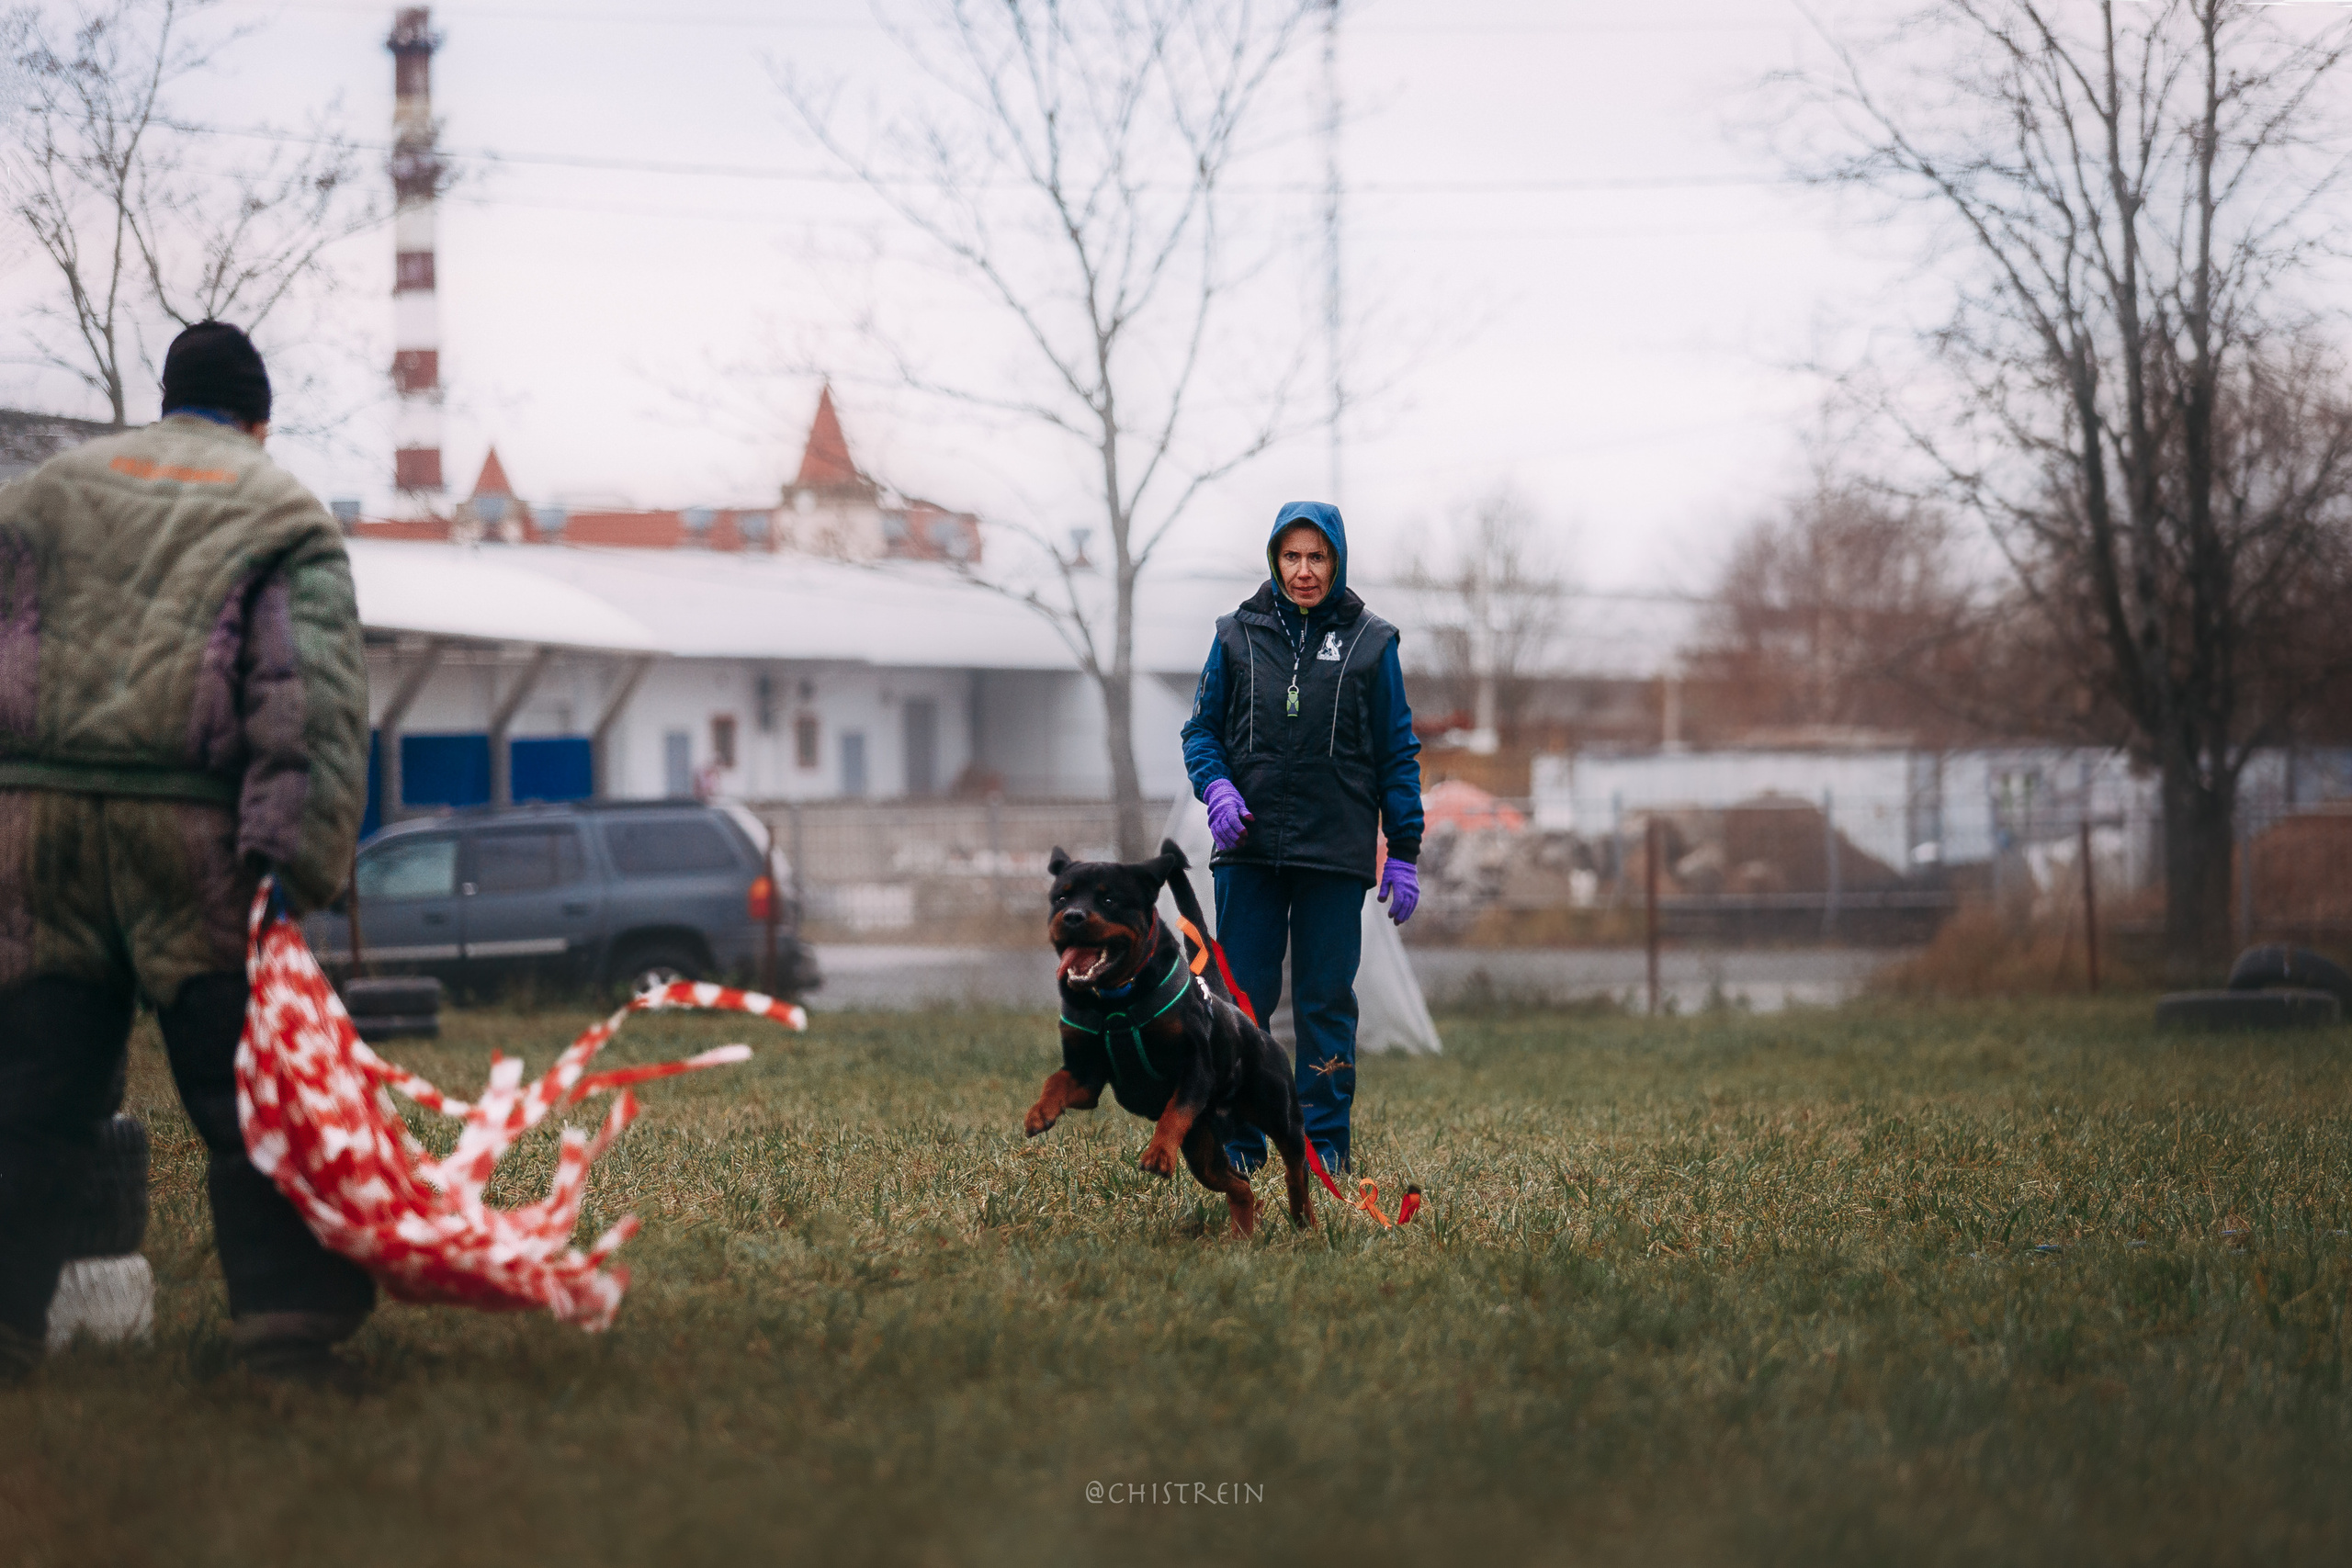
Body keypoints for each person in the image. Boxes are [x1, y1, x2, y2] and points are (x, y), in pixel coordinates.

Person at [0, 321, 373, 1383]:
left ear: (167, 402)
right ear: (259, 421)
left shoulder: (40, 496)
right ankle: (285, 1334)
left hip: (37, 831)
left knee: (30, 1094)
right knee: (247, 1090)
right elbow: (308, 703)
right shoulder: (279, 510)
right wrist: (295, 863)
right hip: (191, 838)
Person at [1179, 502, 1421, 1175]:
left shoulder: (1373, 642)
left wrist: (1403, 849)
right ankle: (1240, 1145)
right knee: (1241, 1006)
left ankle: (1324, 1150)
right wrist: (1216, 788)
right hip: (1248, 852)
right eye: (1292, 556)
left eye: (1317, 557)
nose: (1304, 571)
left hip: (1334, 855)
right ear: (1274, 559)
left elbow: (1398, 754)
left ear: (1336, 560)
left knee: (1326, 1004)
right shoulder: (1235, 635)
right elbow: (1201, 732)